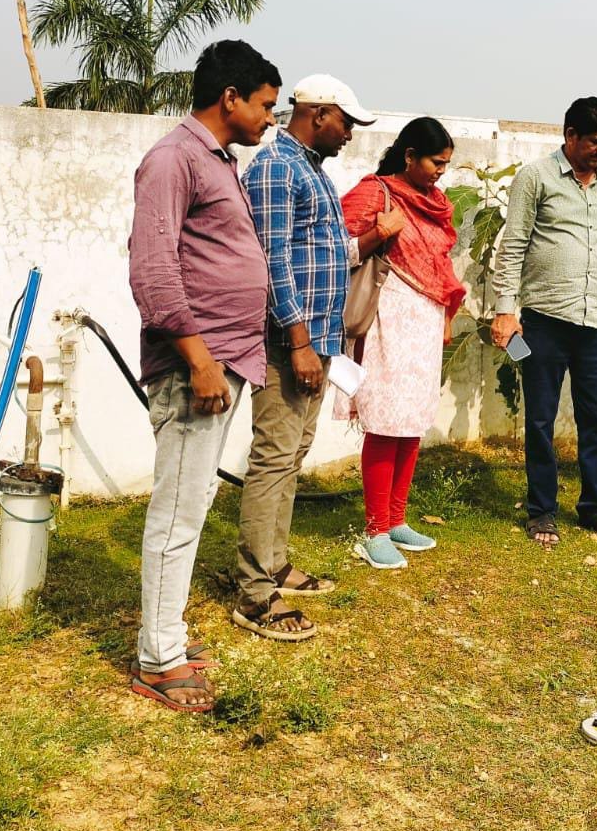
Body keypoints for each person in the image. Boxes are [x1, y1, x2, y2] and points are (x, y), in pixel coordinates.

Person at [127, 40, 280, 711]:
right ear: (231, 98)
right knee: (178, 512)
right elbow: (153, 270)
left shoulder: (215, 160)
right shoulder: (173, 159)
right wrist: (199, 358)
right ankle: (156, 659)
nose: (270, 118)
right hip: (198, 367)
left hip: (220, 362)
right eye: (266, 105)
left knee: (192, 507)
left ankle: (168, 636)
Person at [234, 74, 393, 641]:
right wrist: (299, 342)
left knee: (291, 456)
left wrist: (373, 239)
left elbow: (326, 253)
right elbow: (271, 260)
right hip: (287, 343)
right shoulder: (278, 168)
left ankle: (273, 564)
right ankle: (254, 595)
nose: (351, 134)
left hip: (317, 341)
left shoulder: (312, 172)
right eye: (347, 123)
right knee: (274, 458)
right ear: (319, 114)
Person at [490, 97, 597, 547]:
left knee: (596, 418)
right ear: (569, 135)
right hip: (545, 322)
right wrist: (504, 310)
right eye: (595, 141)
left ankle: (594, 507)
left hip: (595, 325)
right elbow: (512, 246)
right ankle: (542, 512)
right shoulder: (536, 178)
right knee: (541, 420)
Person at [337, 117, 467, 569]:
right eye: (435, 162)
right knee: (385, 420)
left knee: (411, 421)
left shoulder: (437, 203)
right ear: (409, 156)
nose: (439, 172)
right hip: (387, 318)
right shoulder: (377, 192)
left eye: (446, 165)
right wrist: (380, 233)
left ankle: (396, 520)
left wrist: (446, 313)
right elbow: (334, 245)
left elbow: (440, 262)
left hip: (425, 322)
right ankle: (373, 530)